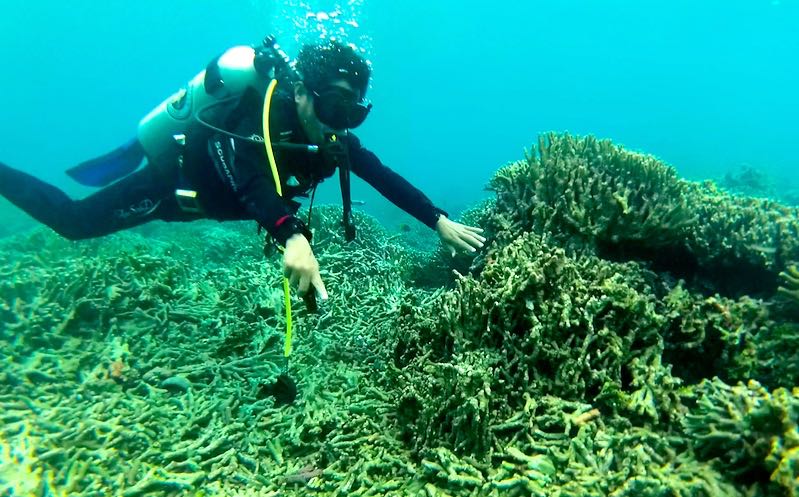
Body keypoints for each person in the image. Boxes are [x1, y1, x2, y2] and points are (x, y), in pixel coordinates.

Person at [0, 36, 485, 302]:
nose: (339, 124)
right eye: (332, 107)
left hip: (214, 203)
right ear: (301, 94)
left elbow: (382, 175)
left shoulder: (330, 138)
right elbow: (246, 174)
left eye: (352, 113)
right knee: (73, 222)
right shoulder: (261, 119)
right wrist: (291, 235)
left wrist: (437, 219)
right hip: (176, 187)